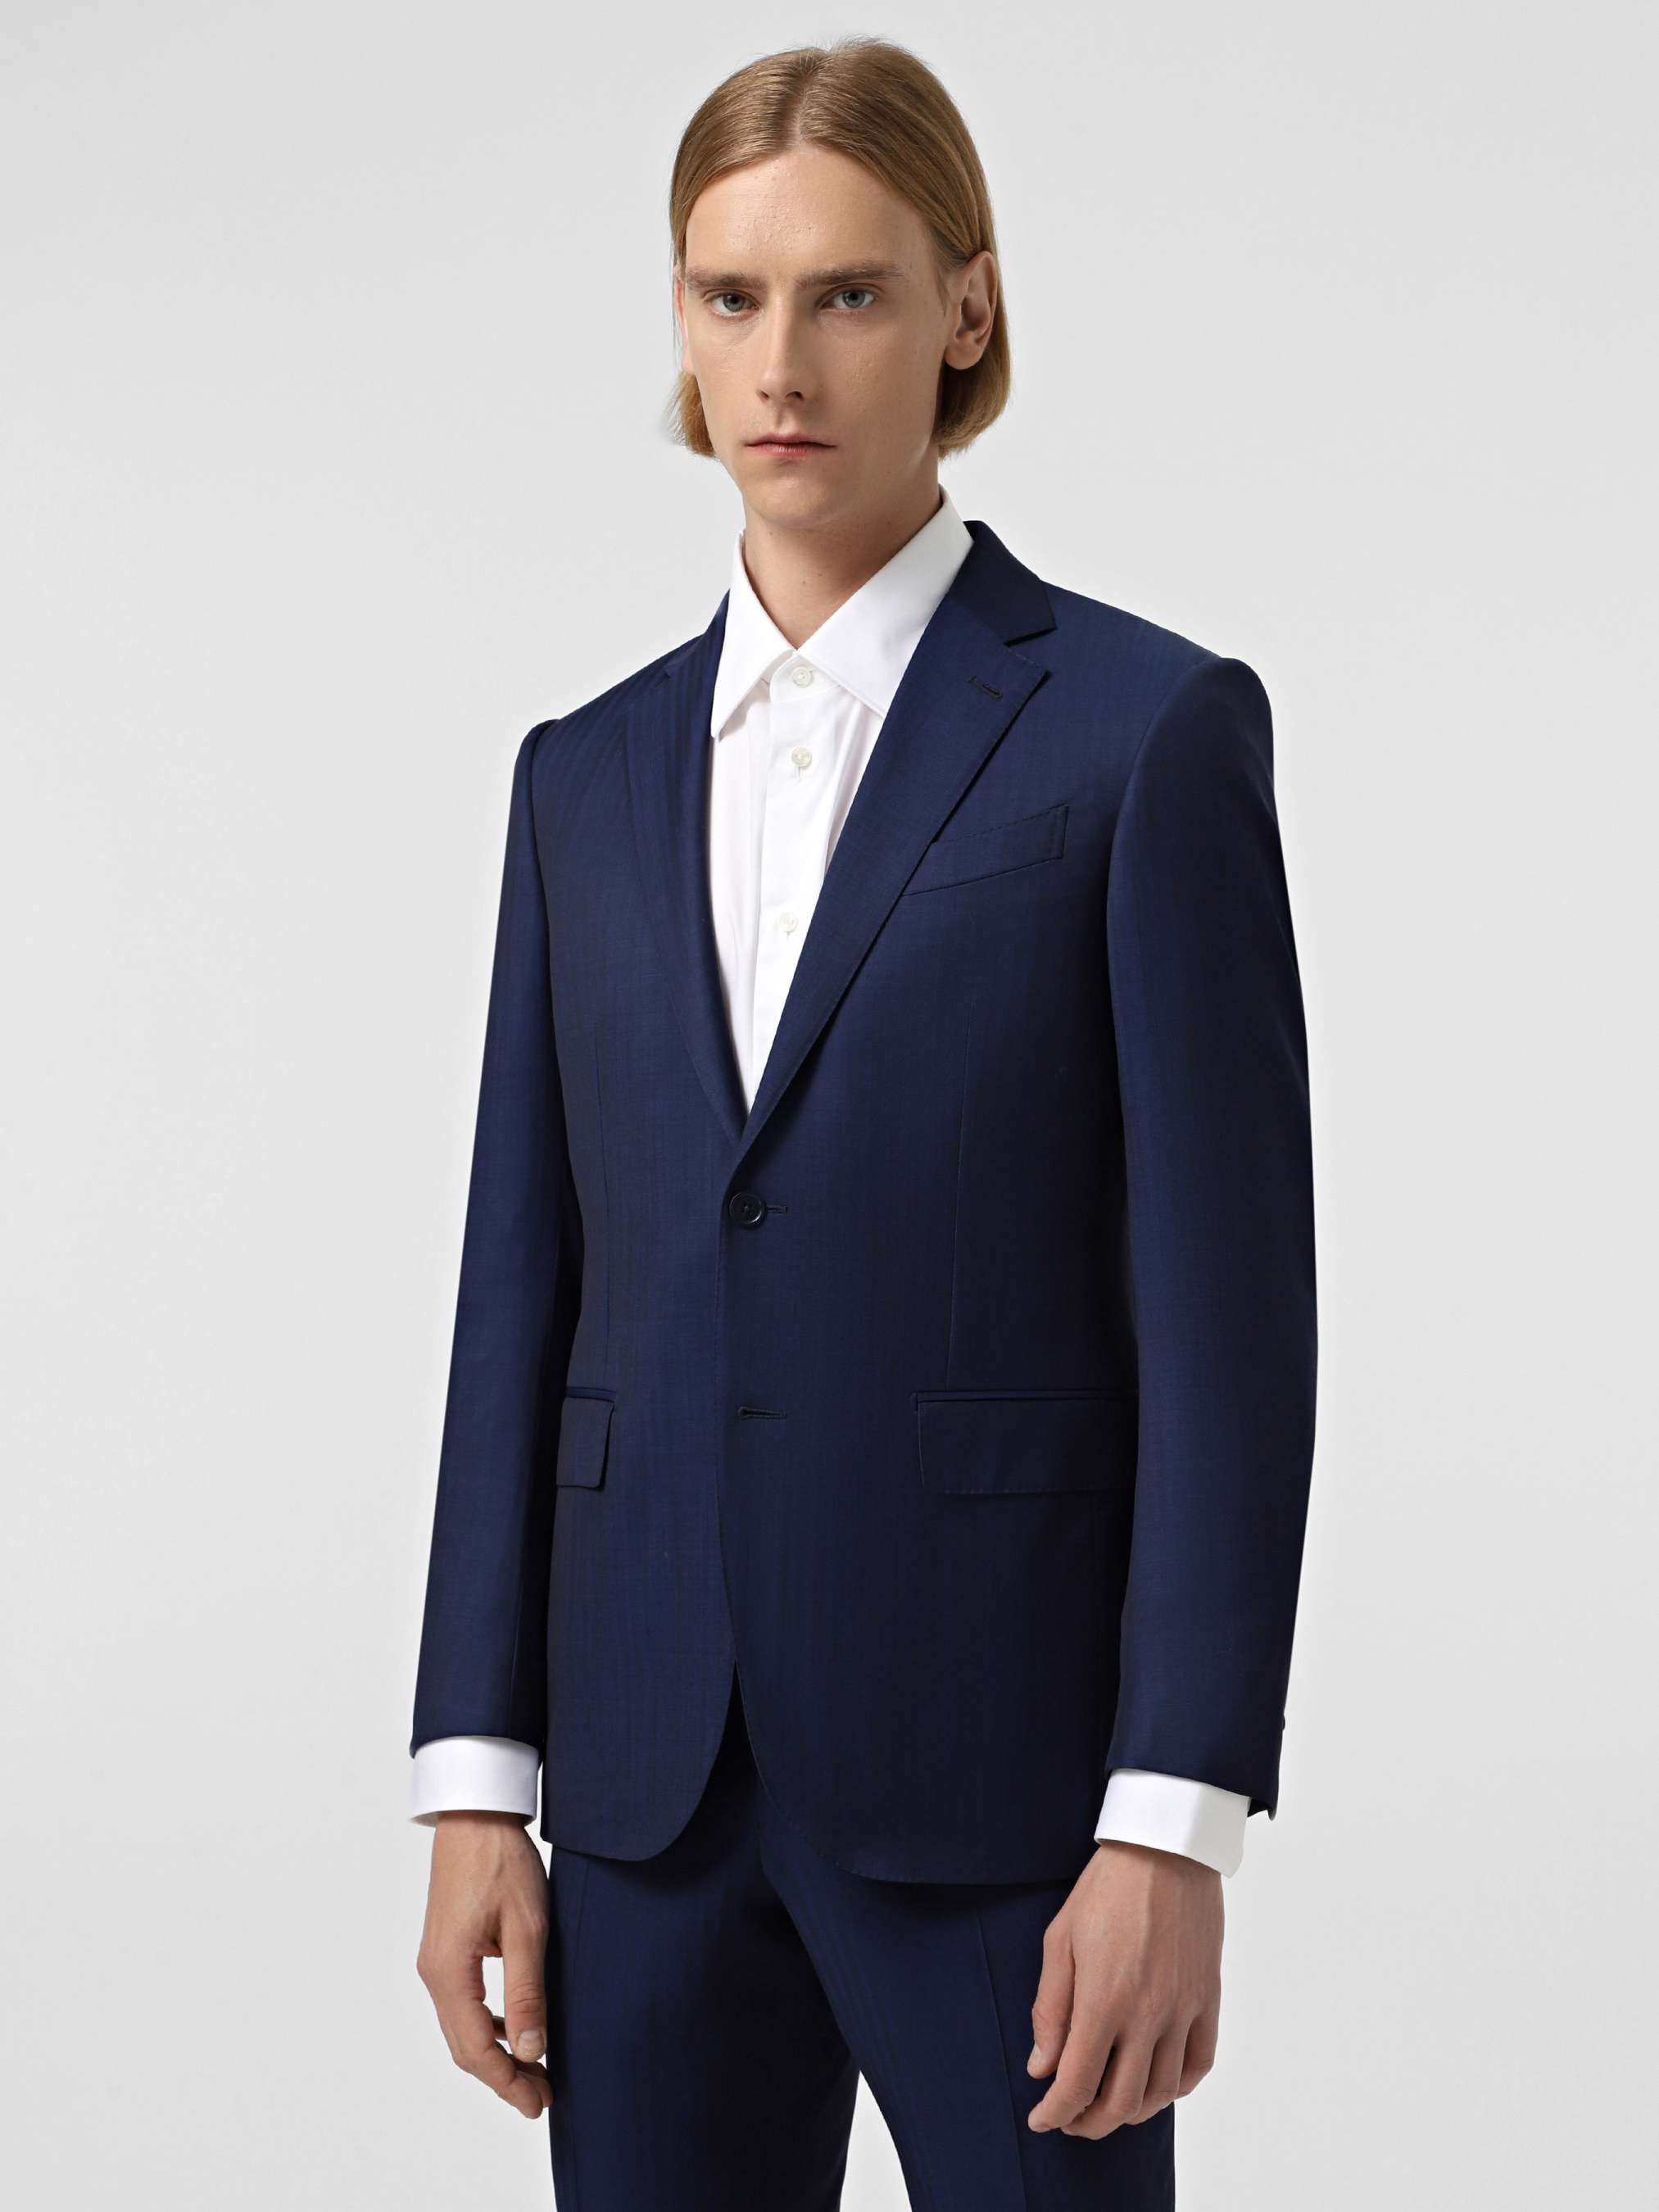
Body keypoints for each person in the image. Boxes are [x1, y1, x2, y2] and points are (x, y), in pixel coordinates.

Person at [408, 39, 1315, 2212]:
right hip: (642, 1792)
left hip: (1008, 1799)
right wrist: (471, 1773)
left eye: (847, 293)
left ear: (965, 309)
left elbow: (1229, 1326)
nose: (779, 363)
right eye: (729, 297)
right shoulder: (581, 777)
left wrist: (1171, 1818)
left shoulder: (1142, 735)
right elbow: (521, 1292)